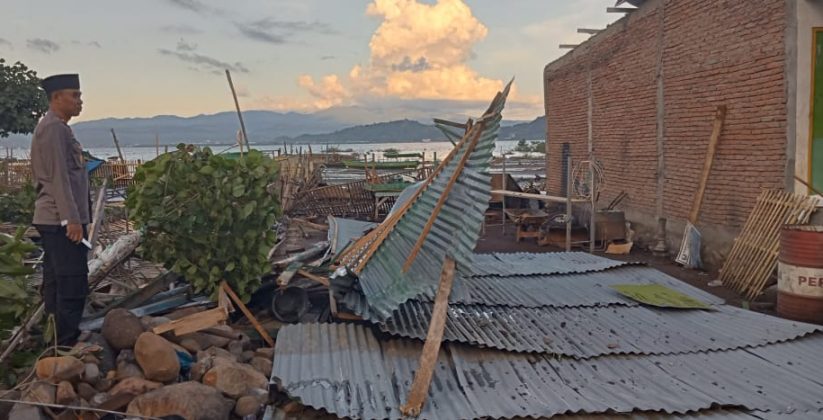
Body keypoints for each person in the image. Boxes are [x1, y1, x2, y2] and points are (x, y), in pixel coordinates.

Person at [30, 74, 90, 346]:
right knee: (72, 282)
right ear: (57, 98)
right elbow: (59, 178)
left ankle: (54, 340)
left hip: (54, 219)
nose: (79, 101)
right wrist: (71, 219)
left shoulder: (57, 127)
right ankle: (66, 342)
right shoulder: (54, 128)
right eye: (74, 95)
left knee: (56, 280)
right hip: (59, 219)